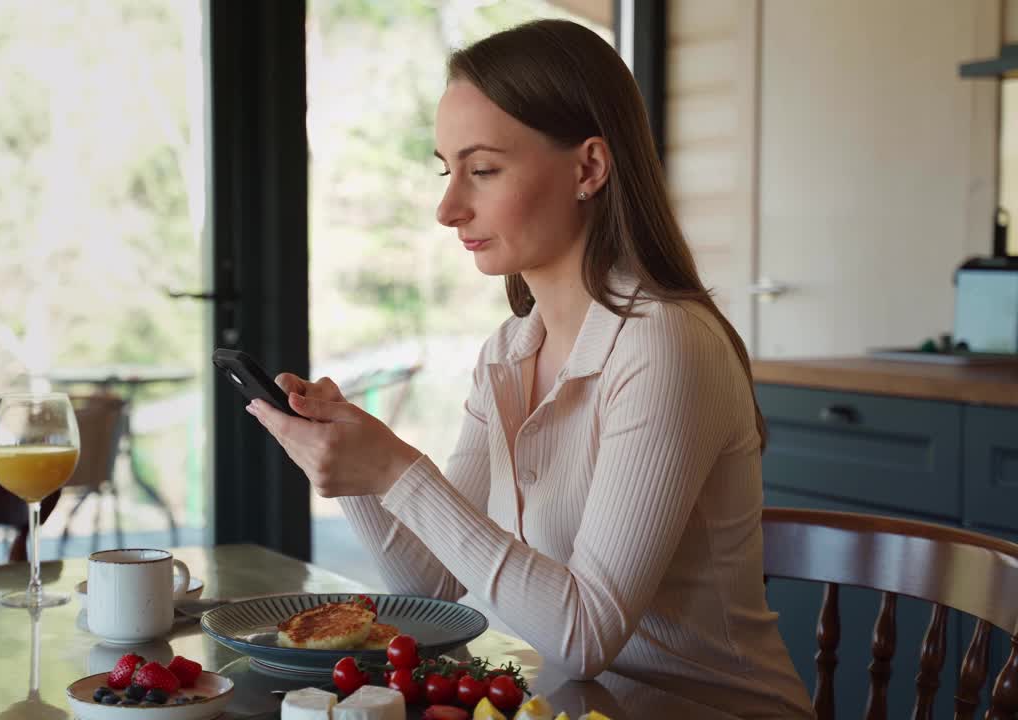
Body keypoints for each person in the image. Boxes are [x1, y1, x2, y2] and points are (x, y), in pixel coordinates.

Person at [245, 18, 813, 719]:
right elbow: (428, 581)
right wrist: (356, 470)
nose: (448, 207)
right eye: (445, 169)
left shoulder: (667, 346)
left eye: (482, 170)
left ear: (589, 168)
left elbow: (582, 637)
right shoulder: (512, 350)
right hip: (579, 704)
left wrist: (397, 469)